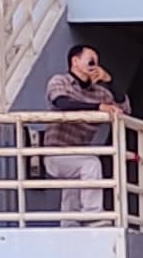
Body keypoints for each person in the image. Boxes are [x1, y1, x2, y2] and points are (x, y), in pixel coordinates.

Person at [39, 43, 125, 216]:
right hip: (56, 153)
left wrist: (110, 82)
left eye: (97, 62)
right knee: (90, 164)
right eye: (91, 61)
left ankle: (69, 226)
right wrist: (97, 107)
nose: (95, 66)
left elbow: (124, 107)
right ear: (75, 61)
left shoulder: (99, 92)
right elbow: (61, 102)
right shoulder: (59, 81)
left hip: (78, 153)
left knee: (74, 189)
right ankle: (93, 214)